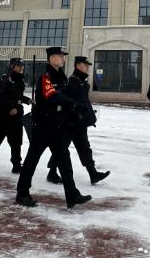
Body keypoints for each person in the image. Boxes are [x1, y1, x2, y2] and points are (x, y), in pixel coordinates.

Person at [15, 47, 91, 209]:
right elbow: (52, 96)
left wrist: (76, 110)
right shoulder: (45, 77)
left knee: (65, 162)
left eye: (63, 56)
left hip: (58, 126)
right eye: (60, 56)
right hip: (44, 126)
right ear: (51, 58)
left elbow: (66, 96)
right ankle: (22, 193)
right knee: (32, 160)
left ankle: (72, 195)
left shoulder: (62, 78)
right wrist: (72, 103)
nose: (63, 58)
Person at [46, 56, 109, 185]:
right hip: (70, 123)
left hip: (80, 123)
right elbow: (67, 101)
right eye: (85, 65)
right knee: (62, 148)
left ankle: (93, 174)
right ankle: (52, 172)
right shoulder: (72, 82)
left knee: (84, 148)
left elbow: (83, 102)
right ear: (78, 65)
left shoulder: (81, 81)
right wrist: (75, 115)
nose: (87, 68)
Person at [0, 58, 32, 173]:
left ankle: (16, 164)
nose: (21, 68)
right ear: (11, 66)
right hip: (4, 115)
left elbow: (18, 96)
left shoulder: (20, 80)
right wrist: (11, 107)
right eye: (18, 66)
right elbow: (3, 96)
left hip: (17, 114)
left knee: (16, 141)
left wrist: (27, 100)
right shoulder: (4, 79)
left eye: (22, 66)